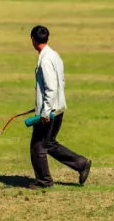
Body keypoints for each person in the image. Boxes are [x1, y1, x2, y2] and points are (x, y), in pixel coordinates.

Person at [28, 25, 91, 189]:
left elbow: (51, 87)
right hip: (58, 107)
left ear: (33, 40)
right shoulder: (54, 55)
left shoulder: (45, 59)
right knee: (49, 144)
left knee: (38, 147)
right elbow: (60, 82)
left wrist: (46, 109)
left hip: (50, 111)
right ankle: (81, 163)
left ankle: (44, 181)